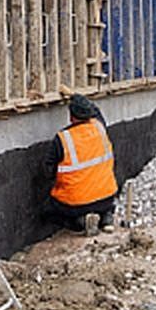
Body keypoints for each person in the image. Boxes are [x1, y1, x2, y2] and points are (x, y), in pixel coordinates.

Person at [41, 94, 118, 235]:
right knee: (102, 202)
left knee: (49, 211)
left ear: (71, 117)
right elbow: (96, 110)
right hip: (107, 198)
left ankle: (81, 222)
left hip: (76, 204)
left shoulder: (63, 139)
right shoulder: (99, 127)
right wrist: (76, 95)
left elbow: (48, 172)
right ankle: (106, 218)